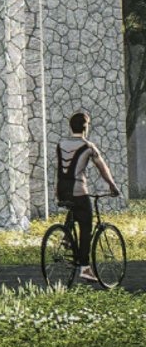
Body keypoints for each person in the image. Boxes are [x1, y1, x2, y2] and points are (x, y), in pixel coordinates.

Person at [56, 110, 120, 283]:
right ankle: (85, 268)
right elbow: (102, 168)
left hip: (62, 190)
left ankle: (67, 237)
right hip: (78, 189)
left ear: (71, 126)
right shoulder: (88, 147)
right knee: (86, 226)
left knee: (74, 207)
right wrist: (112, 186)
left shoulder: (61, 144)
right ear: (86, 128)